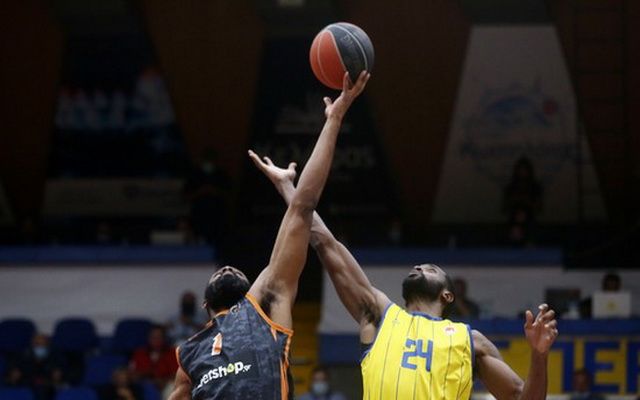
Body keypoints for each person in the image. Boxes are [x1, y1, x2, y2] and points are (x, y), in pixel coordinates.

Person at [252, 152, 559, 400]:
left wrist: (539, 355)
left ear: (447, 295)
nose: (419, 267)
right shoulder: (380, 315)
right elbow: (325, 243)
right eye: (419, 267)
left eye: (431, 269)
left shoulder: (470, 340)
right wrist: (287, 188)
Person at [167, 71, 370, 400]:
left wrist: (334, 119)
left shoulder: (265, 305)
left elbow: (303, 207)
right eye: (221, 272)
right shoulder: (189, 352)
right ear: (205, 306)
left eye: (230, 271)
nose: (226, 268)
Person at [503, 156, 542, 247]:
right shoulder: (510, 187)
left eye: (525, 169)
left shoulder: (535, 187)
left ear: (529, 171)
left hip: (530, 220)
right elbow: (504, 207)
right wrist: (514, 203)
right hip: (513, 219)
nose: (522, 172)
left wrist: (527, 202)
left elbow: (538, 207)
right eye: (520, 169)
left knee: (531, 231)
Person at [130, 325, 178, 392]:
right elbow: (133, 375)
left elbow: (176, 375)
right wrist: (150, 379)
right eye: (153, 337)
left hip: (166, 386)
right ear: (148, 338)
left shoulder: (172, 353)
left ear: (164, 338)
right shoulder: (139, 353)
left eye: (159, 337)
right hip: (143, 386)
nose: (156, 340)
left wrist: (163, 381)